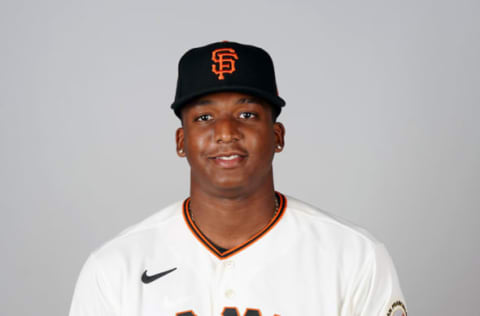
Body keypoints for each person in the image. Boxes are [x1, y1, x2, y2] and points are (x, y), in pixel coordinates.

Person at [69, 41, 407, 316]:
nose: (226, 132)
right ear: (181, 141)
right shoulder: (114, 268)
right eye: (204, 117)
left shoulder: (354, 257)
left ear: (278, 135)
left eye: (247, 114)